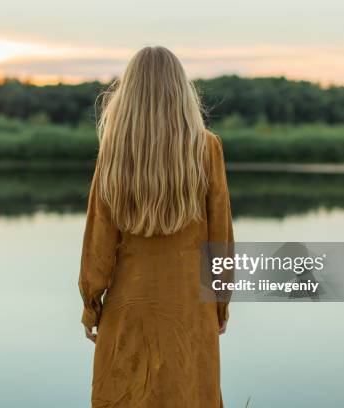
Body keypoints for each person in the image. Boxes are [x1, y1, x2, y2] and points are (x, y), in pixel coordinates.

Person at [78, 46, 234, 407]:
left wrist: (91, 306)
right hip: (191, 311)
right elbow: (220, 241)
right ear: (181, 91)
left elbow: (98, 242)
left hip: (128, 309)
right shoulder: (207, 148)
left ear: (128, 92)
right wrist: (221, 304)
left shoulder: (114, 150)